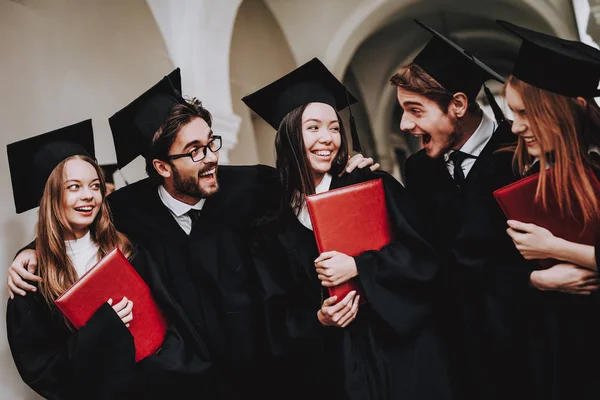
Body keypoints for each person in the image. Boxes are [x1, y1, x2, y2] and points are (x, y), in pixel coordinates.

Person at [6, 69, 376, 399]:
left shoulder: (253, 185)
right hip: (192, 384)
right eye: (194, 151)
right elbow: (76, 222)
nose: (211, 157)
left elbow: (312, 189)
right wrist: (31, 252)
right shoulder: (131, 211)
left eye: (210, 143)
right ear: (162, 166)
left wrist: (349, 170)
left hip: (272, 373)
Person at [242, 57, 452, 400]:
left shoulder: (371, 186)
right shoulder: (271, 226)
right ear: (290, 135)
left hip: (401, 355)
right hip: (334, 369)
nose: (328, 138)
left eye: (334, 127)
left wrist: (359, 266)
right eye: (313, 127)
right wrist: (319, 318)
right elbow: (276, 313)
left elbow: (423, 258)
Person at [5, 120, 214, 400]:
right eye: (74, 187)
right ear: (52, 197)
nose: (88, 196)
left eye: (94, 185)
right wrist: (105, 327)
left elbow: (172, 317)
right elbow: (41, 371)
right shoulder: (33, 278)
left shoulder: (129, 248)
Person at [392, 20, 536, 400]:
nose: (406, 124)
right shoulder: (419, 170)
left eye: (415, 110)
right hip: (460, 352)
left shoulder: (519, 155)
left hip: (527, 339)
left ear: (457, 104)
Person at [497, 20, 600, 399]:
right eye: (512, 112)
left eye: (526, 113)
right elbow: (487, 270)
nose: (516, 127)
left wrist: (555, 247)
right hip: (556, 353)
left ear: (568, 109)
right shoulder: (520, 172)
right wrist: (536, 280)